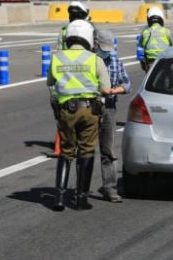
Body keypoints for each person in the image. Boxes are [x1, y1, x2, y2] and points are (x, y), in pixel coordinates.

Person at [47, 19, 112, 211]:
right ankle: (81, 198)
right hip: (89, 110)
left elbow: (50, 82)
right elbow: (106, 89)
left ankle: (59, 197)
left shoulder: (57, 58)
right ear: (87, 38)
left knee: (66, 151)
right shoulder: (94, 59)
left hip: (66, 110)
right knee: (87, 151)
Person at [95, 29, 131, 203]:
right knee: (83, 151)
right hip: (90, 107)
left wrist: (114, 90)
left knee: (108, 150)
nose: (106, 52)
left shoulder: (115, 61)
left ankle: (110, 188)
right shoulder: (89, 61)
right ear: (95, 44)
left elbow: (127, 83)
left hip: (108, 107)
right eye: (103, 48)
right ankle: (80, 190)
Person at [139, 6, 173, 72]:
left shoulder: (145, 32)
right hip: (164, 60)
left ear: (149, 19)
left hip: (150, 62)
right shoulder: (166, 31)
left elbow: (141, 45)